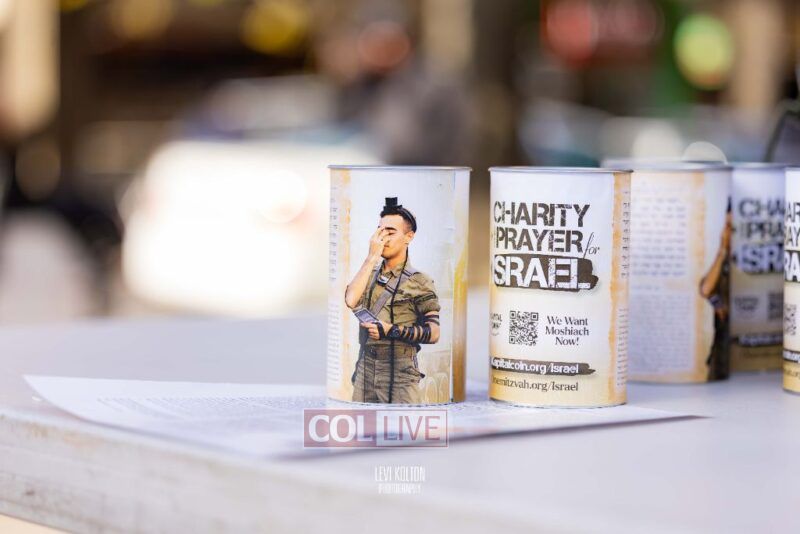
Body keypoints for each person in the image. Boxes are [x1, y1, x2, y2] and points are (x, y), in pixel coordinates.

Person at [344, 197, 440, 403]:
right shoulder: (368, 273)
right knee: (362, 421)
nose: (383, 238)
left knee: (402, 422)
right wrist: (371, 258)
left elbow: (433, 333)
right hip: (366, 366)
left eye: (390, 232)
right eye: (380, 231)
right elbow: (351, 300)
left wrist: (391, 330)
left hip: (400, 370)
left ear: (409, 237)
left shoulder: (420, 281)